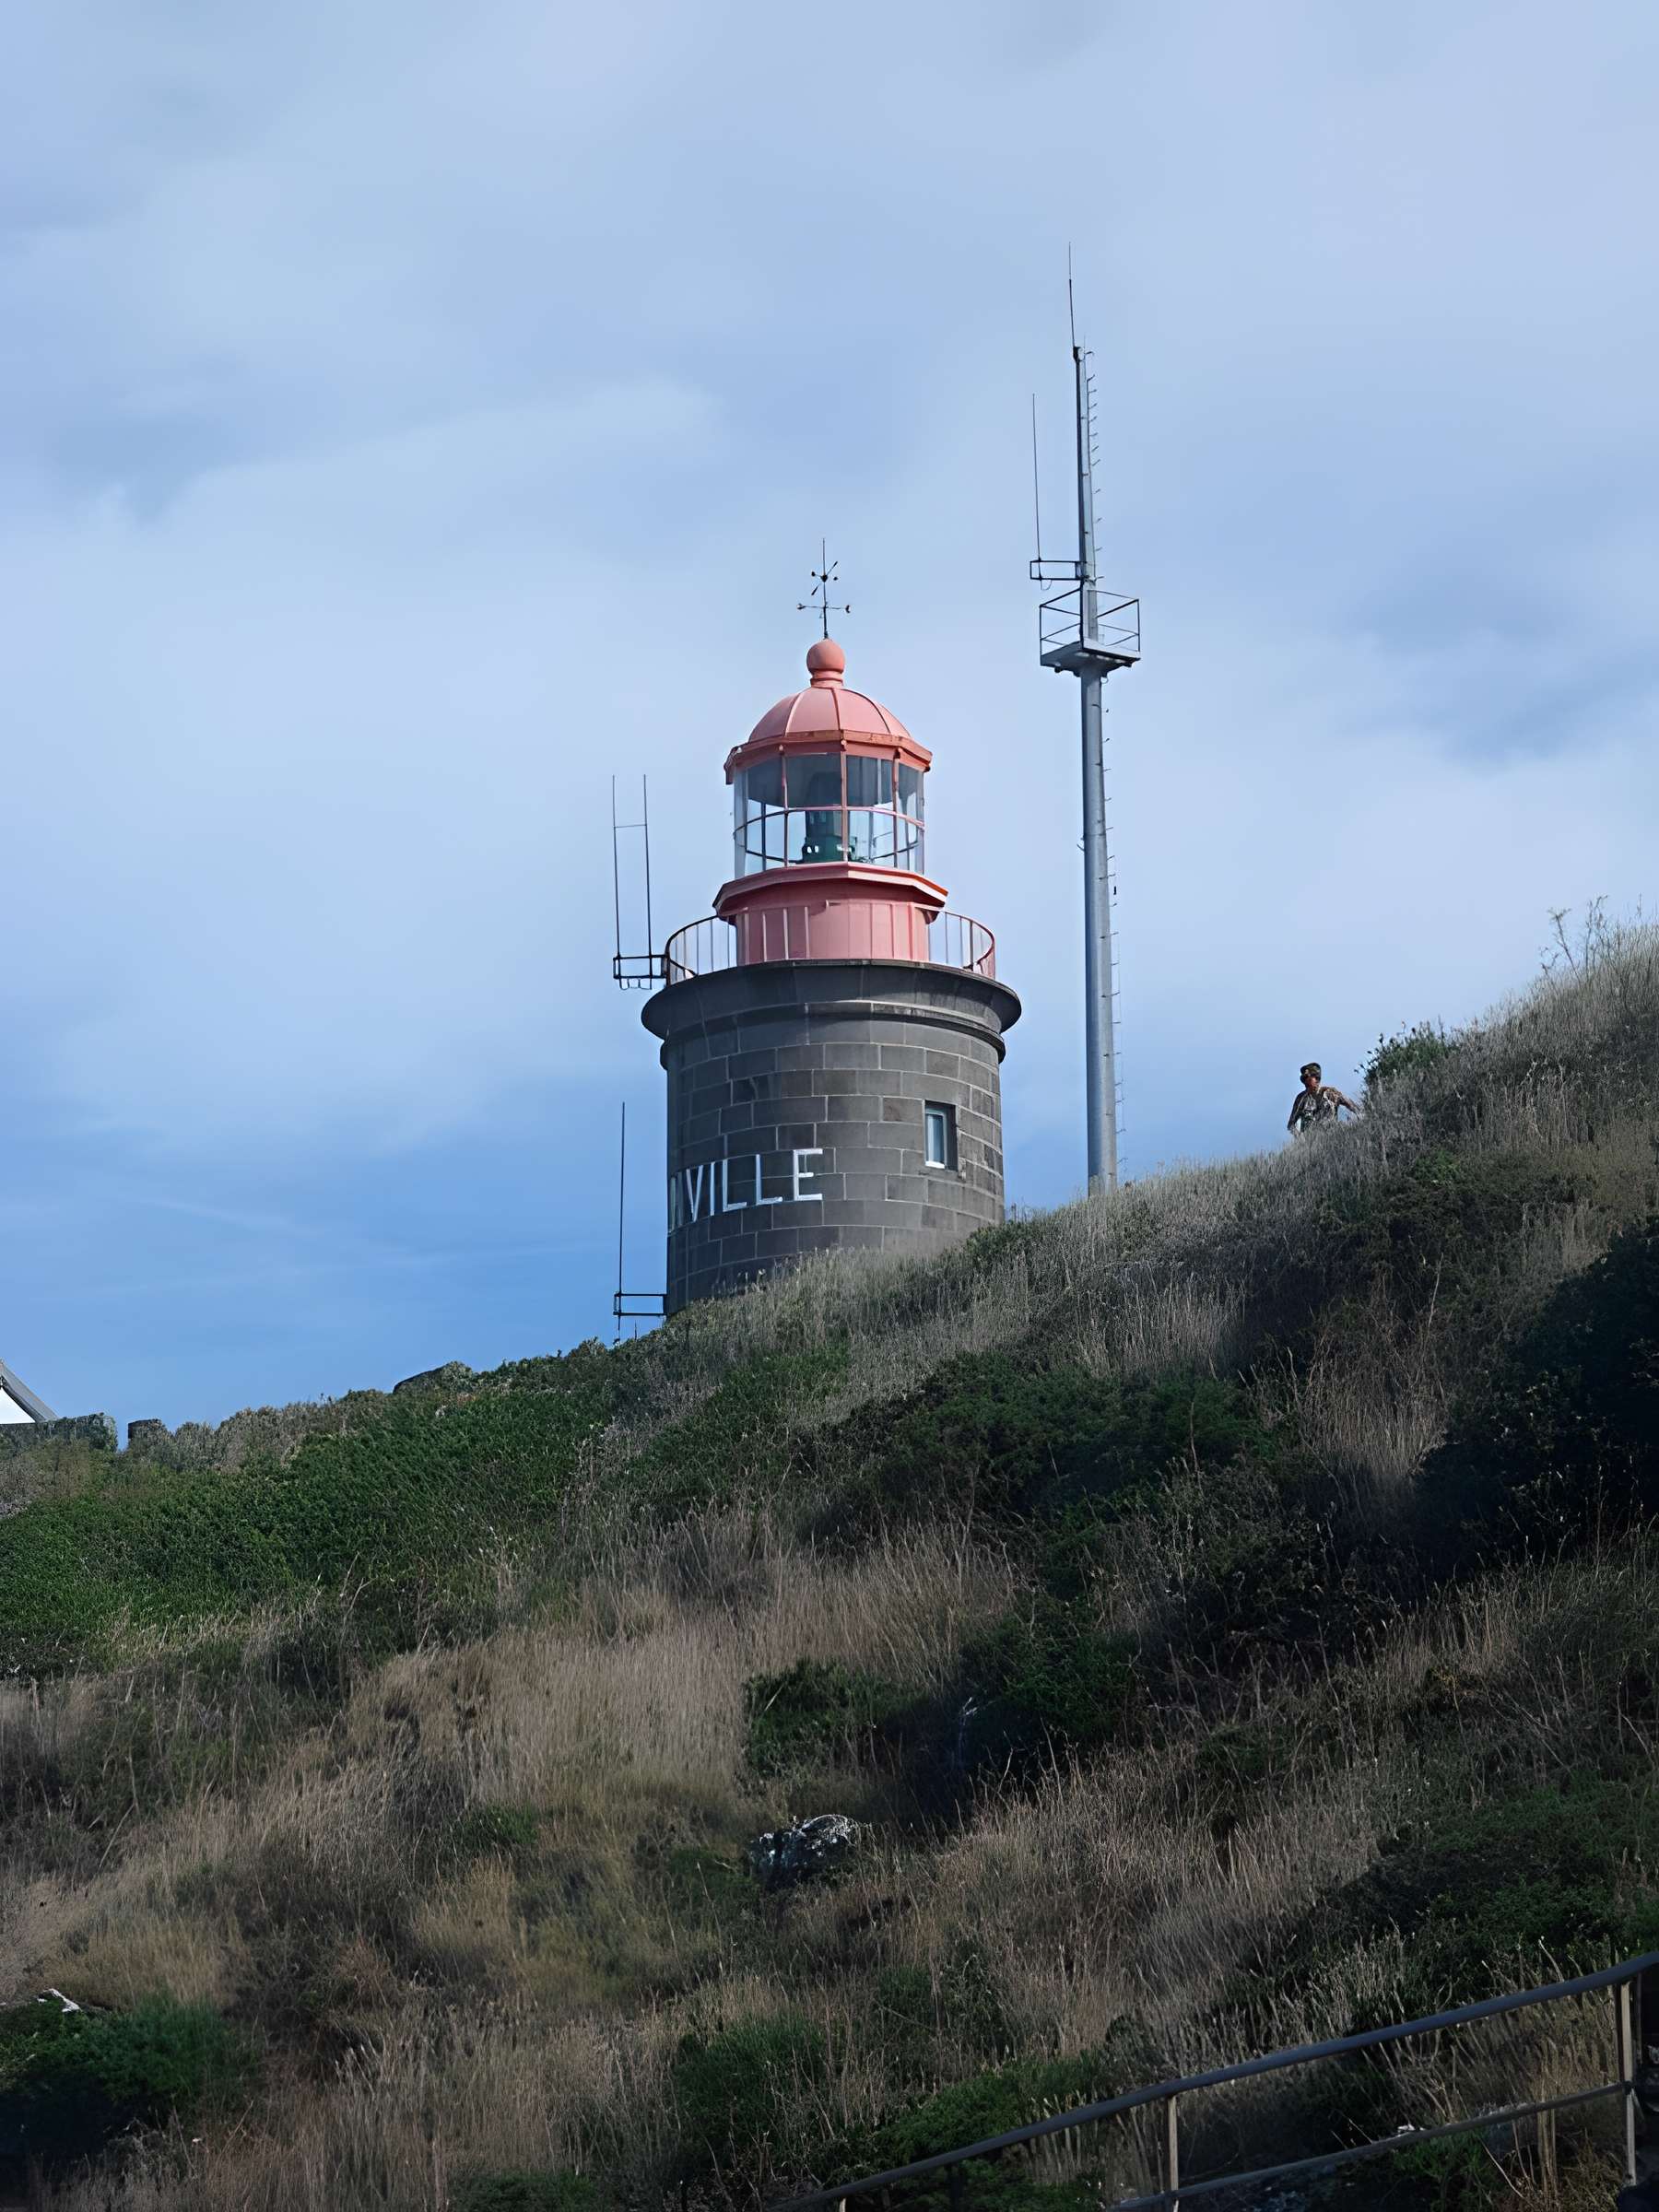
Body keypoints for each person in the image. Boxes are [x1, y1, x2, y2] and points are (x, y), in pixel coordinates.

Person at [1287, 1061, 1361, 1136]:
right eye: (1303, 1080)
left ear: (1317, 1079)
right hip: (1312, 1141)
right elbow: (1291, 1125)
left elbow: (1352, 1106)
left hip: (1333, 1136)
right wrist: (1300, 1138)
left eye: (1309, 1079)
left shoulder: (1331, 1093)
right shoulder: (1301, 1099)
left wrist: (1362, 1118)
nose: (1306, 1083)